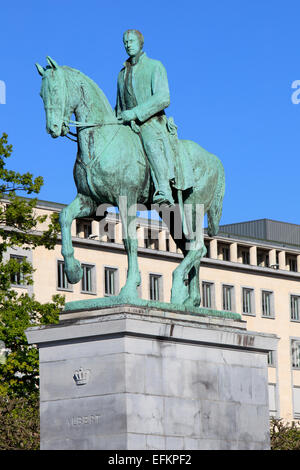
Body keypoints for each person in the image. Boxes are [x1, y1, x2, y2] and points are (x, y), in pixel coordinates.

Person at [115, 29, 177, 205]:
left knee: (150, 141)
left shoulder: (155, 66)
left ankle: (163, 189)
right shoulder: (121, 74)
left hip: (151, 121)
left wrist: (135, 113)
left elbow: (163, 97)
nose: (128, 45)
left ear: (141, 43)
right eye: (125, 42)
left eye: (132, 41)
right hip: (128, 123)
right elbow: (119, 105)